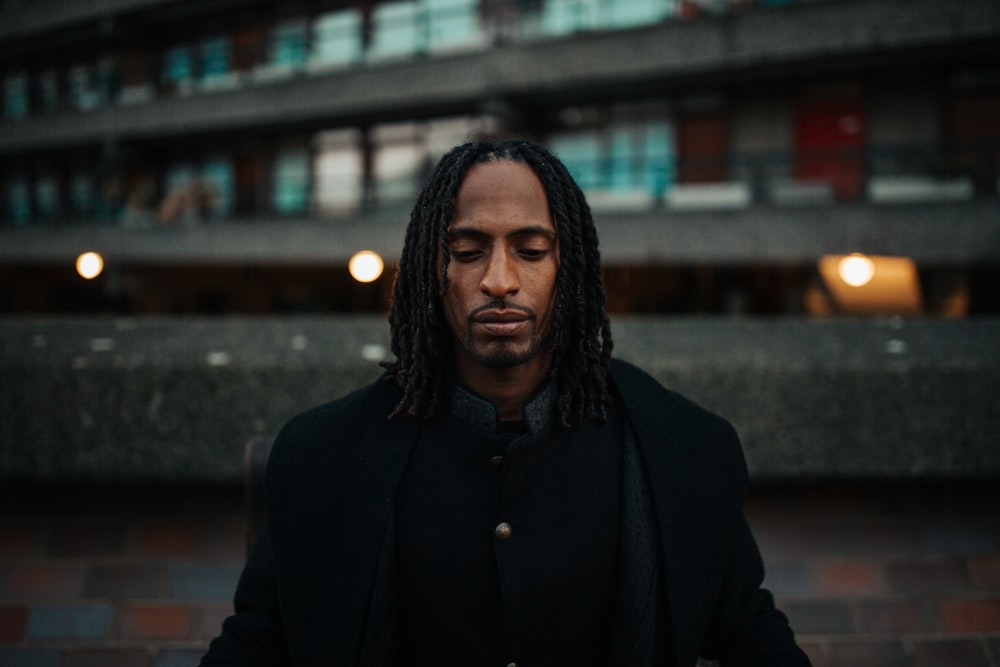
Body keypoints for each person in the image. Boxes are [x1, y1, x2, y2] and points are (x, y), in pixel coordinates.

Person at [201, 139, 811, 666]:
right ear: (429, 270)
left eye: (530, 249)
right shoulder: (323, 455)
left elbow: (750, 631)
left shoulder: (681, 447)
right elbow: (259, 639)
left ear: (567, 266)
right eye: (467, 252)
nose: (499, 279)